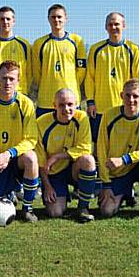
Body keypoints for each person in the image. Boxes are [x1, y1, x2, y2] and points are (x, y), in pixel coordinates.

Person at [0, 61, 40, 222]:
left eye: (12, 79)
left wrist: (9, 154)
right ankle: (11, 191)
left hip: (16, 159)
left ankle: (28, 208)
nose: (7, 82)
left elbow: (31, 139)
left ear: (19, 80)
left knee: (31, 158)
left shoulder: (26, 104)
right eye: (4, 78)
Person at [96, 79, 139, 219]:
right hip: (118, 173)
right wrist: (106, 184)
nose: (131, 100)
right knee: (106, 211)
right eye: (127, 95)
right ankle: (126, 193)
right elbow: (101, 150)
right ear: (121, 95)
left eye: (136, 96)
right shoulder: (109, 115)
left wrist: (125, 159)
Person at [36, 88, 97, 222]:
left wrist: (57, 156)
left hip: (74, 168)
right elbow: (41, 162)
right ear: (54, 106)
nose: (66, 109)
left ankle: (83, 208)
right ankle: (61, 196)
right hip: (54, 173)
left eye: (70, 104)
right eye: (61, 105)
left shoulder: (82, 118)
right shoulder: (41, 123)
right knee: (55, 212)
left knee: (88, 160)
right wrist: (47, 187)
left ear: (76, 104)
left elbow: (85, 148)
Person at [86, 12, 139, 143]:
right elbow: (90, 78)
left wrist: (136, 103)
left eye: (116, 24)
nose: (113, 27)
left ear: (123, 26)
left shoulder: (133, 50)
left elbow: (137, 81)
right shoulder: (96, 49)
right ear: (106, 27)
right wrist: (90, 102)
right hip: (100, 108)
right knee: (98, 143)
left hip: (124, 107)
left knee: (123, 142)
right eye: (110, 24)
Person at [32, 4, 86, 117]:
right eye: (53, 17)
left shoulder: (77, 41)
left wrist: (70, 83)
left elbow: (81, 71)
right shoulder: (39, 43)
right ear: (48, 19)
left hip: (71, 100)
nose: (56, 20)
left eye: (59, 17)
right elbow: (36, 73)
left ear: (66, 18)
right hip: (46, 101)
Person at [0, 6, 32, 96]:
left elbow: (29, 72)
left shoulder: (24, 45)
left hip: (19, 94)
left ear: (13, 21)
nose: (5, 22)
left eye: (8, 19)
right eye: (2, 19)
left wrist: (21, 88)